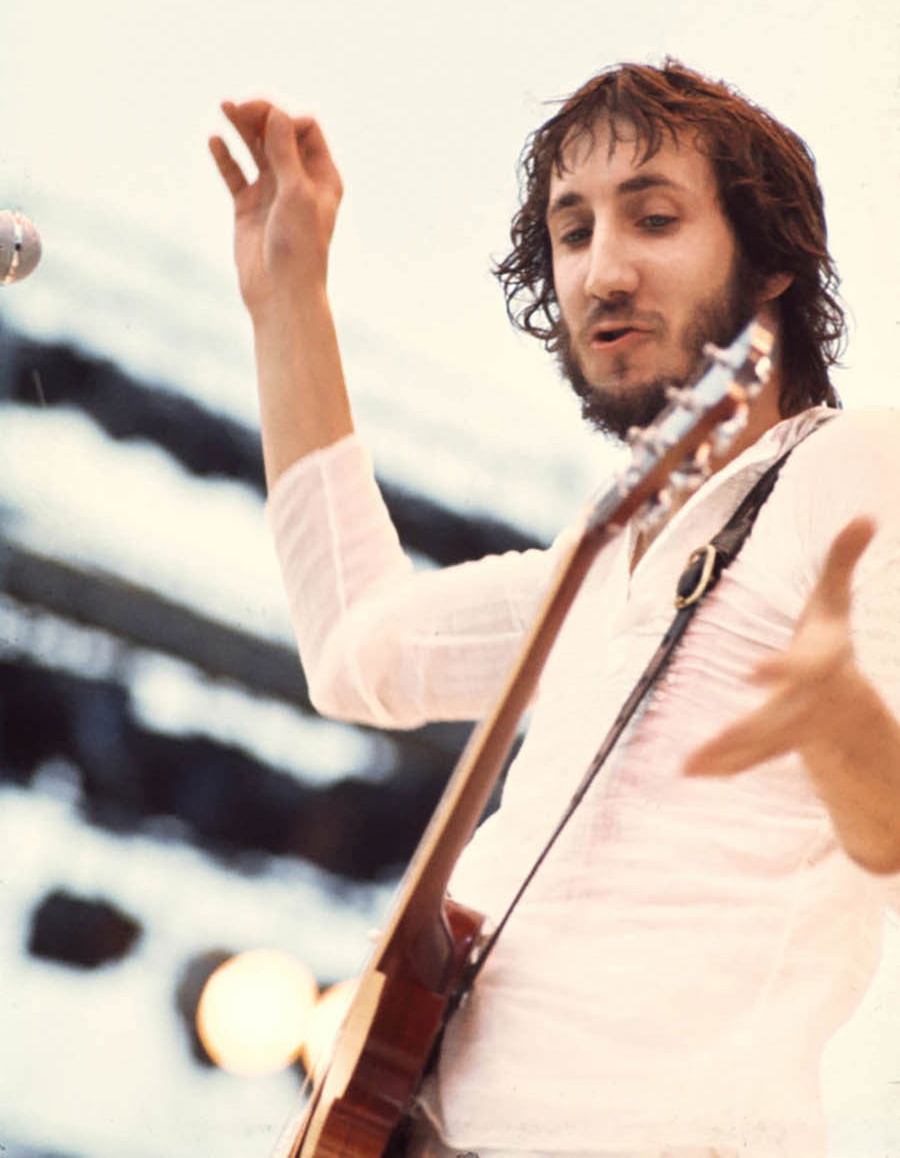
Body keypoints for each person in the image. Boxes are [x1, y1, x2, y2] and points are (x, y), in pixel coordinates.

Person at [209, 61, 900, 1158]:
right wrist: (288, 294)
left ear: (772, 258)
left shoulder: (856, 467)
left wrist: (844, 725)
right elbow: (354, 652)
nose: (602, 272)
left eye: (654, 219)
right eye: (573, 233)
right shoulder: (606, 560)